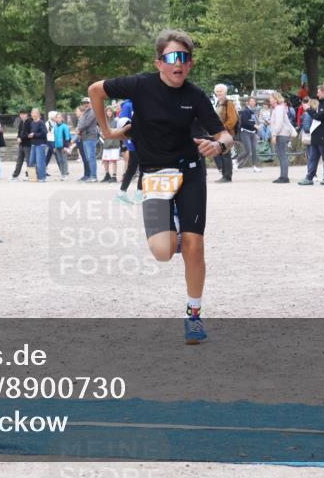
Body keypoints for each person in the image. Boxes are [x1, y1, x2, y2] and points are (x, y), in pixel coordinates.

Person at [90, 29, 232, 344]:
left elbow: (224, 134)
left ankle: (194, 315)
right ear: (159, 63)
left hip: (190, 172)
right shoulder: (139, 85)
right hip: (154, 174)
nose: (178, 64)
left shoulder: (194, 95)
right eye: (172, 58)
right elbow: (95, 89)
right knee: (163, 252)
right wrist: (108, 130)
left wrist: (219, 146)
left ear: (190, 64)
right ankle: (175, 230)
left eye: (184, 58)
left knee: (195, 247)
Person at [298, 85, 324, 185]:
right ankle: (309, 177)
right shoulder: (322, 103)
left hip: (323, 134)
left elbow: (318, 117)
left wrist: (309, 109)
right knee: (313, 157)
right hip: (316, 134)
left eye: (319, 92)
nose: (317, 94)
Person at [212, 84, 238, 183]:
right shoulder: (218, 103)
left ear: (225, 92)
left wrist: (224, 128)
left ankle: (227, 176)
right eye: (217, 91)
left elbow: (233, 119)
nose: (219, 93)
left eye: (221, 91)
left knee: (226, 154)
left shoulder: (229, 103)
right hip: (219, 133)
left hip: (226, 133)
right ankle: (224, 175)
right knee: (222, 153)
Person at [269, 92, 294, 184]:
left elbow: (279, 124)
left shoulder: (279, 108)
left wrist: (274, 135)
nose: (270, 100)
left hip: (281, 134)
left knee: (282, 155)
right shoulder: (278, 108)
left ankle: (285, 177)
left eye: (271, 98)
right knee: (281, 155)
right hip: (281, 134)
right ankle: (283, 176)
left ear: (276, 99)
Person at [76, 96, 100, 182]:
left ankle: (94, 177)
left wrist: (78, 129)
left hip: (90, 137)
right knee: (88, 158)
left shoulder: (93, 112)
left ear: (91, 103)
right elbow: (81, 122)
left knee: (91, 157)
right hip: (85, 137)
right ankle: (91, 176)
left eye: (87, 103)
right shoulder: (86, 112)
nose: (85, 104)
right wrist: (78, 128)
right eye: (84, 103)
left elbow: (86, 123)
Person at [236, 96, 261, 172]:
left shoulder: (255, 111)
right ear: (248, 102)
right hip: (245, 132)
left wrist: (257, 126)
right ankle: (235, 161)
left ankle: (254, 166)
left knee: (254, 150)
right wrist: (254, 125)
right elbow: (244, 122)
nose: (253, 102)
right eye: (251, 101)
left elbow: (254, 121)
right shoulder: (244, 111)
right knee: (247, 150)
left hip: (253, 133)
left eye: (254, 101)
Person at [27, 107, 49, 182]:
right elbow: (32, 132)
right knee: (31, 161)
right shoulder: (32, 123)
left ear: (38, 114)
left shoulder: (41, 122)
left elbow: (44, 133)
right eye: (32, 113)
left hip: (40, 144)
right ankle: (33, 177)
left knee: (40, 162)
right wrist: (30, 135)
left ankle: (42, 177)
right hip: (33, 144)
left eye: (35, 113)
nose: (33, 115)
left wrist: (34, 134)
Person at [100, 105, 121, 183]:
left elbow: (119, 130)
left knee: (114, 160)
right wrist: (103, 134)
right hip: (106, 144)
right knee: (105, 160)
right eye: (107, 111)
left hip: (114, 143)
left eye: (110, 111)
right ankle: (107, 174)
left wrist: (111, 131)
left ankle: (114, 176)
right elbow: (102, 132)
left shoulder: (116, 121)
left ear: (112, 112)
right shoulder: (104, 122)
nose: (109, 112)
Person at [10, 109, 32, 181]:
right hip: (21, 144)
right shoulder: (21, 122)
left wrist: (21, 138)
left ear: (26, 114)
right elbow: (19, 132)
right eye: (20, 114)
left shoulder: (29, 122)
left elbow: (28, 134)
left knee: (28, 161)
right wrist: (18, 138)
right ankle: (15, 175)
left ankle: (29, 175)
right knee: (19, 161)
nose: (21, 116)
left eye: (23, 114)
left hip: (27, 144)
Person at [51, 111, 71, 180]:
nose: (58, 119)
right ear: (55, 119)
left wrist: (66, 146)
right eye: (57, 118)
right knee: (59, 160)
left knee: (64, 160)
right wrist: (54, 146)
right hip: (57, 146)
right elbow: (54, 137)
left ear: (62, 118)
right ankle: (62, 174)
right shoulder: (55, 127)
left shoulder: (65, 126)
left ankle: (65, 174)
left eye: (60, 117)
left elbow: (67, 137)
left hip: (63, 146)